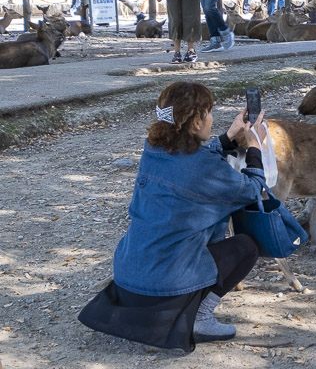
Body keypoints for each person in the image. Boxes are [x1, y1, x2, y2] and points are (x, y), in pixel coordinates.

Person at [78, 81, 267, 351]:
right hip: (167, 281)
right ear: (195, 123)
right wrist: (254, 146)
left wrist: (229, 136)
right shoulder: (202, 166)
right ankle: (199, 318)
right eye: (209, 112)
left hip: (128, 274)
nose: (212, 118)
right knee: (246, 247)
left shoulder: (153, 149)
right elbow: (252, 189)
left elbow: (190, 162)